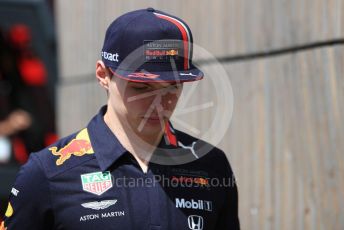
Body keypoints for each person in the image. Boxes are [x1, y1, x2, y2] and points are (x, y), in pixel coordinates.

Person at [1, 8, 240, 230]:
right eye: (142, 88)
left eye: (172, 87)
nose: (159, 102)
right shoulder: (48, 172)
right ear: (103, 75)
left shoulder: (210, 166)